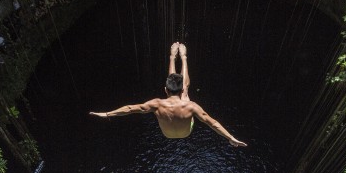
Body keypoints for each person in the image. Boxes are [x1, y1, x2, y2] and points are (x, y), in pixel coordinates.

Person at [90, 43, 247, 147]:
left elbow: (130, 108)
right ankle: (184, 58)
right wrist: (230, 137)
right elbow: (212, 123)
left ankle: (172, 56)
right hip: (186, 132)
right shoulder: (191, 106)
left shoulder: (156, 104)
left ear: (165, 90)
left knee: (178, 88)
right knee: (186, 96)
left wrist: (107, 113)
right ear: (180, 91)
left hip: (167, 134)